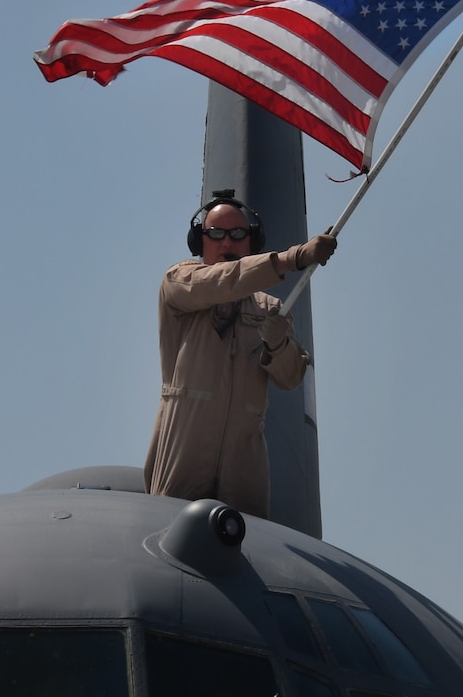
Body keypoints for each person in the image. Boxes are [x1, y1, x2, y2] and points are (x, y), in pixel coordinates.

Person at [142, 191, 338, 520]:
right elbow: (221, 282)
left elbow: (291, 378)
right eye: (215, 234)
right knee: (169, 531)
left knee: (249, 544)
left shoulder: (269, 309)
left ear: (251, 243)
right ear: (199, 242)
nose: (226, 242)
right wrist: (291, 259)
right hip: (182, 451)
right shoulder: (179, 285)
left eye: (238, 234)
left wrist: (277, 345)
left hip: (244, 465)